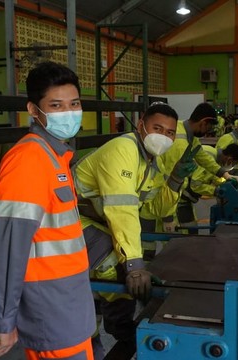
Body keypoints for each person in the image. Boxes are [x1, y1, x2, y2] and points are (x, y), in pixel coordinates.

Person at [0, 61, 95, 359]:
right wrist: (4, 320)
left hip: (70, 304)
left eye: (74, 103)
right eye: (56, 105)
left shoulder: (56, 156)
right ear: (34, 110)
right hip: (51, 310)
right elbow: (7, 247)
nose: (68, 112)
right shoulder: (29, 160)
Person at [72, 102, 190, 360]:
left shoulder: (151, 162)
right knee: (114, 260)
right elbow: (122, 209)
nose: (163, 136)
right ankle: (121, 327)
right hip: (67, 219)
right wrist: (135, 265)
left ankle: (106, 316)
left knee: (117, 258)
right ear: (141, 126)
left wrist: (176, 179)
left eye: (169, 132)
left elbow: (152, 210)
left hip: (94, 221)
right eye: (157, 128)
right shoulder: (123, 149)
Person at [142, 102, 238, 233]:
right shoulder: (179, 144)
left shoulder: (186, 133)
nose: (207, 132)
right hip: (162, 199)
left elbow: (203, 158)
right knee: (168, 241)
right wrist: (167, 217)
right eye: (208, 128)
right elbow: (169, 180)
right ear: (203, 122)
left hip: (175, 197)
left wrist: (225, 174)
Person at [176, 143, 238, 234]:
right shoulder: (210, 157)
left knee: (191, 229)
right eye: (234, 163)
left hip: (182, 195)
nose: (232, 166)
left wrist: (226, 181)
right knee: (188, 232)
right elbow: (196, 185)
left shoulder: (212, 154)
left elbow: (211, 175)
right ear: (229, 159)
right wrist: (216, 191)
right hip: (177, 196)